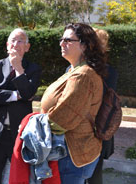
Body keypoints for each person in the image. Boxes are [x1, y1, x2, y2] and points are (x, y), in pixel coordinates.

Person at [40, 23, 107, 184]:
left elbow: (63, 118)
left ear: (84, 46)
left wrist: (33, 123)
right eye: (61, 39)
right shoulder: (74, 70)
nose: (62, 44)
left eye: (68, 40)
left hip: (73, 154)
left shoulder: (83, 75)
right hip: (69, 151)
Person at [0, 28, 41, 184]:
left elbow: (28, 94)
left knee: (19, 179)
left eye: (21, 40)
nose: (16, 44)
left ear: (27, 47)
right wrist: (16, 95)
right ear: (7, 45)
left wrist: (19, 70)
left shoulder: (33, 69)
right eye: (13, 40)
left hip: (19, 135)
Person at [87, 28, 118, 184]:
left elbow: (104, 103)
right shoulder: (110, 71)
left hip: (93, 131)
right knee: (94, 175)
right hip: (99, 130)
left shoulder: (104, 72)